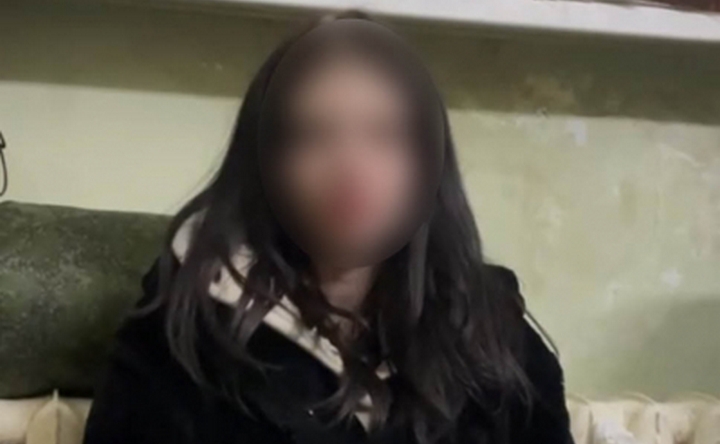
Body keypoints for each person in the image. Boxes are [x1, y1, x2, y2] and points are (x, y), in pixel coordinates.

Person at [83, 11, 573, 444]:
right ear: (265, 163)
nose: (351, 168)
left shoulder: (495, 334)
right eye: (312, 134)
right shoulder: (181, 332)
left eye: (386, 134)